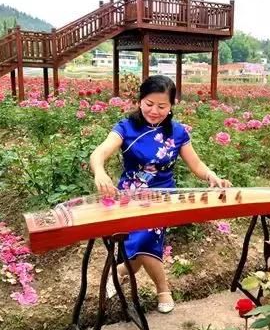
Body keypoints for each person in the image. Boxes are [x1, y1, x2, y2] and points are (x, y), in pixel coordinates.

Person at [90, 75, 232, 313]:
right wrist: (99, 172)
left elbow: (197, 165)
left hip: (162, 197)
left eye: (162, 106)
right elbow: (99, 153)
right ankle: (129, 273)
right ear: (139, 101)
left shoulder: (177, 133)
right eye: (148, 104)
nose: (154, 111)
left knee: (144, 239)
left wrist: (212, 177)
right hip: (130, 196)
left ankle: (149, 283)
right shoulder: (125, 127)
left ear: (171, 106)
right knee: (136, 243)